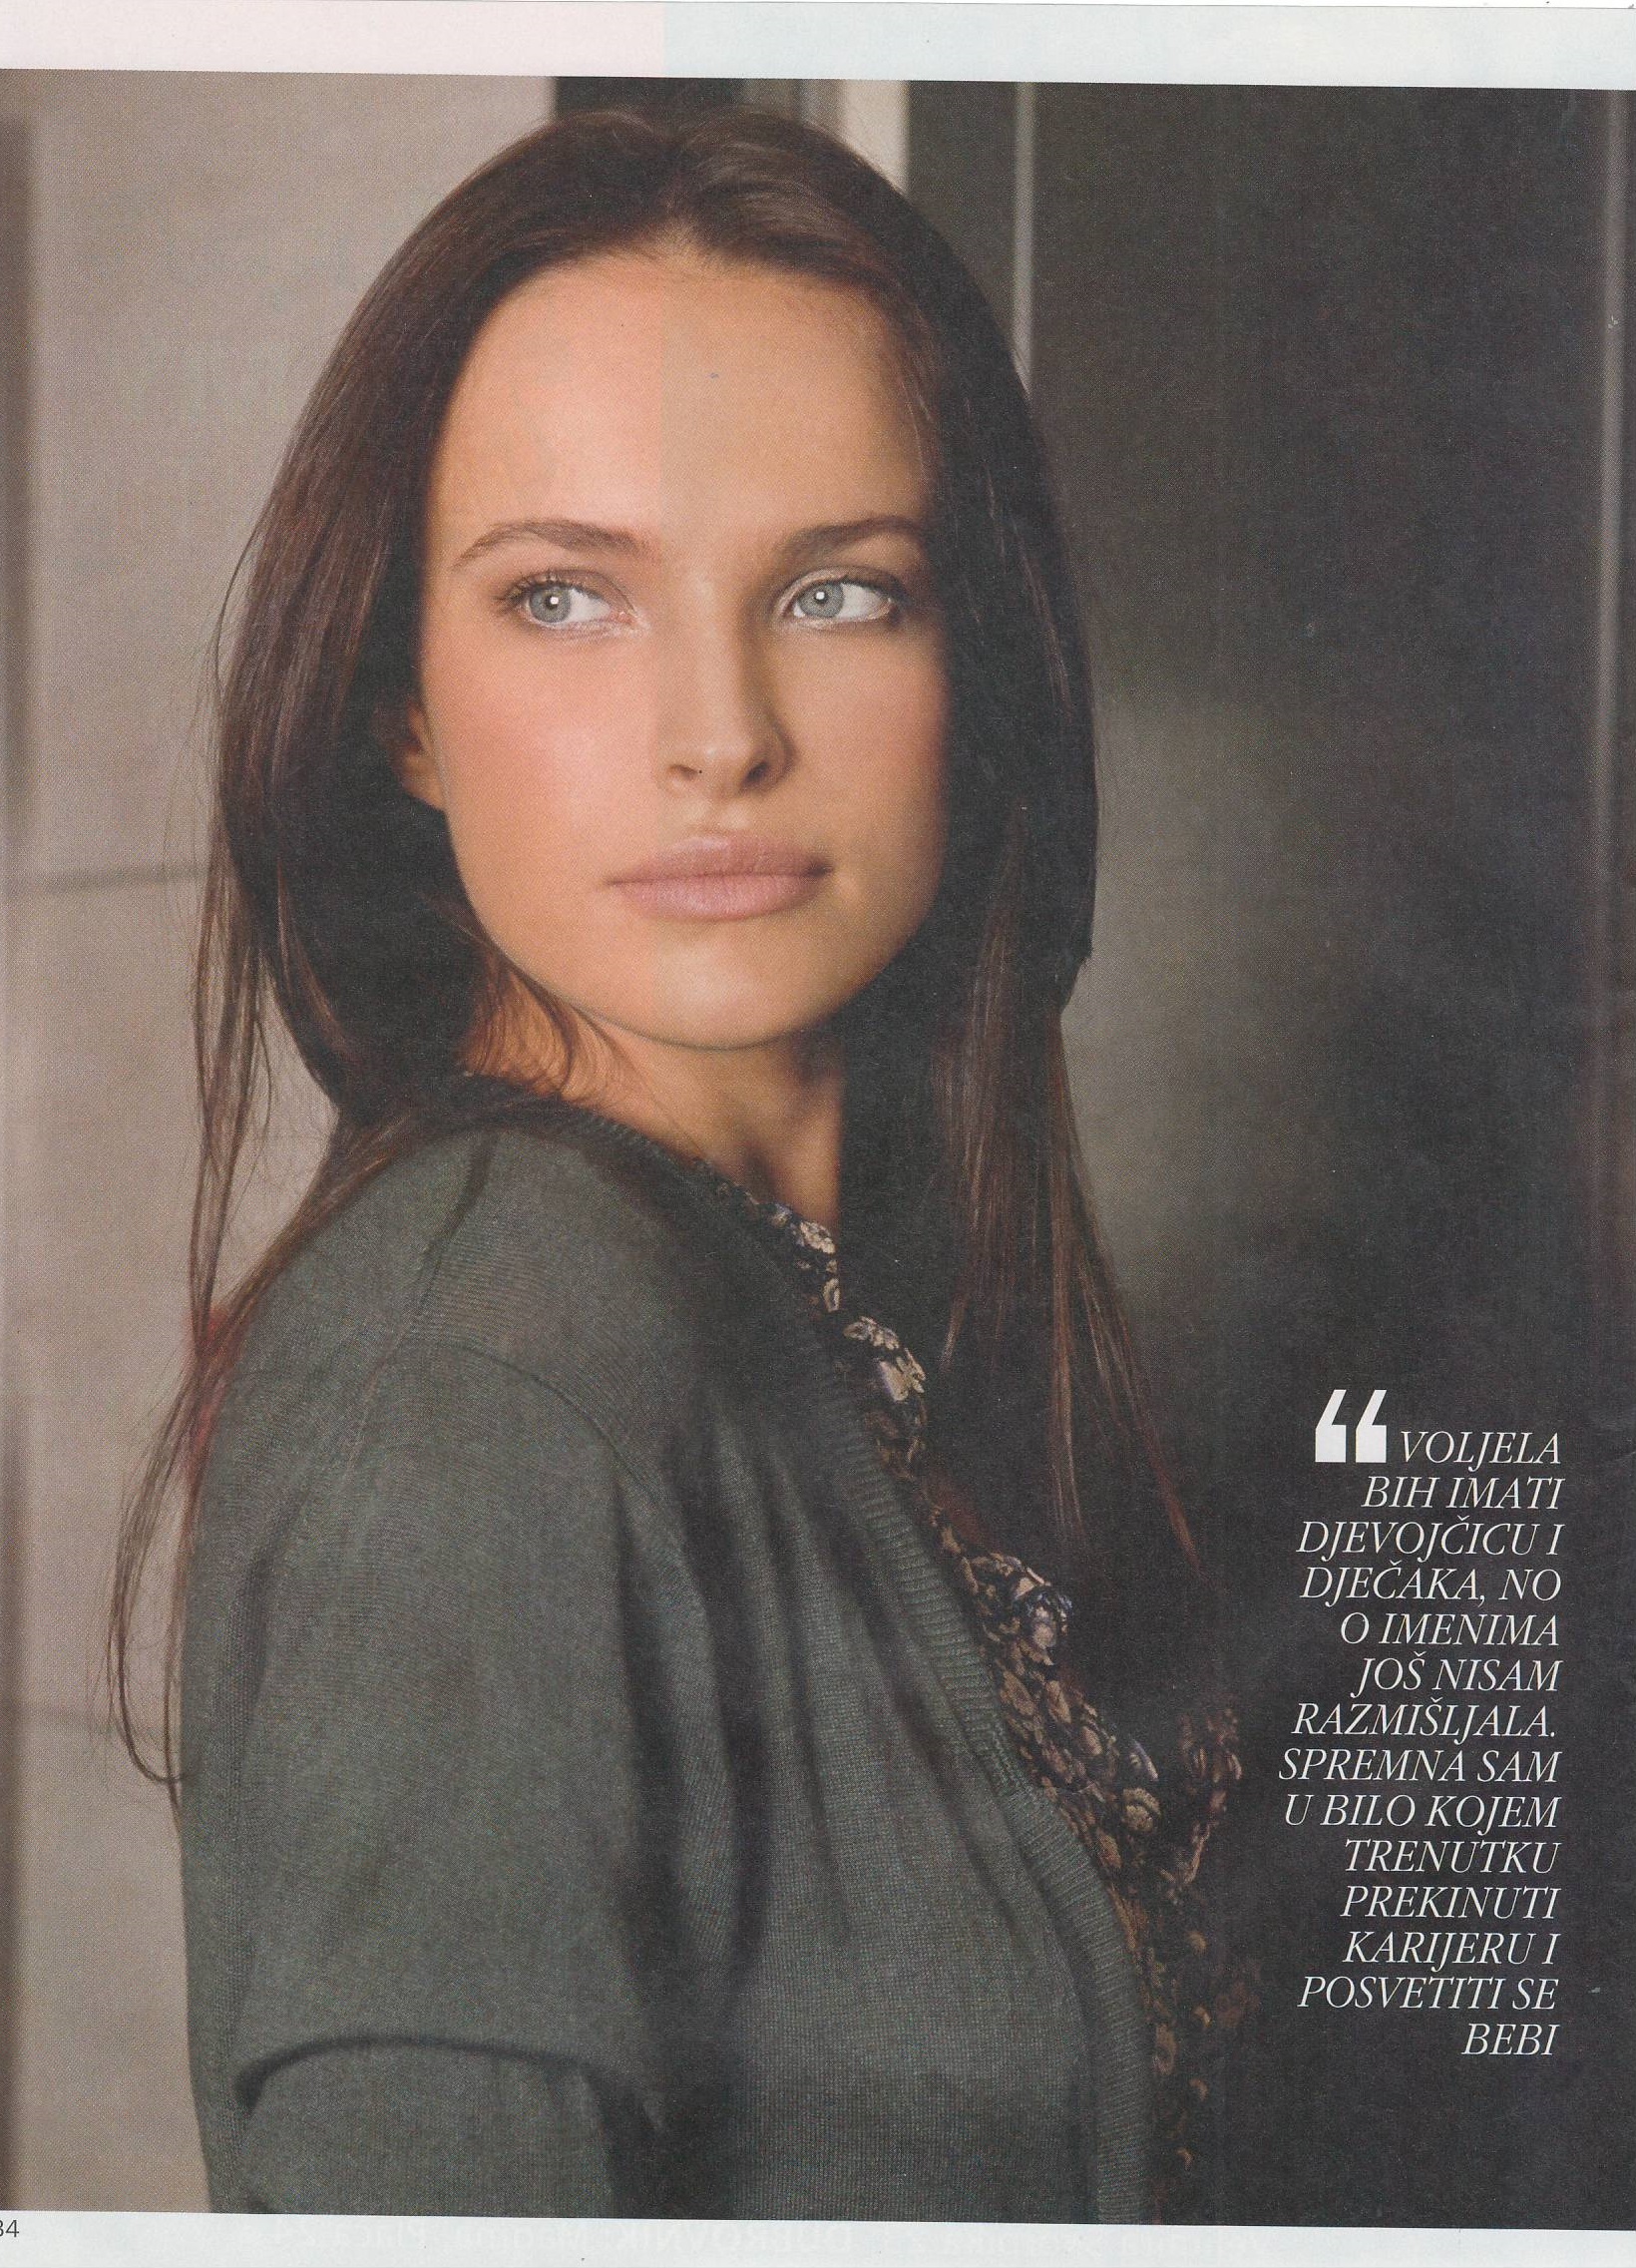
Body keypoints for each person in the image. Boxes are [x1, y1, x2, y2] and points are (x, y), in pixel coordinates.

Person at [111, 104, 1244, 2220]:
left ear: (971, 662)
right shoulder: (488, 1367)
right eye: (565, 597)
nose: (720, 731)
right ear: (402, 706)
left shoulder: (775, 1307)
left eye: (839, 590)